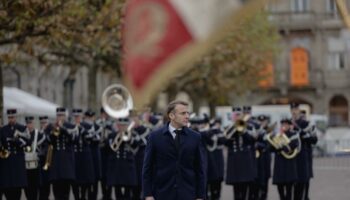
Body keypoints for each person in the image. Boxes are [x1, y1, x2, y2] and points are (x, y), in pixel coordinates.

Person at [142, 100, 206, 200]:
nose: (187, 116)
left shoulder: (195, 137)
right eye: (183, 113)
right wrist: (148, 195)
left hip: (188, 194)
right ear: (171, 116)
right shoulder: (154, 137)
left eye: (188, 113)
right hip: (161, 194)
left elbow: (200, 169)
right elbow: (147, 168)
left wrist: (200, 196)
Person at [46, 107, 77, 200]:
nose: (60, 117)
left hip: (67, 161)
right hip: (56, 161)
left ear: (65, 116)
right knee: (56, 189)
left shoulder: (71, 126)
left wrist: (64, 130)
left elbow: (74, 140)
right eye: (58, 115)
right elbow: (49, 142)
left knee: (65, 190)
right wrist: (53, 132)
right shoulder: (51, 127)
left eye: (62, 115)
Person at [0, 109, 29, 200]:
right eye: (9, 117)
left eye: (12, 117)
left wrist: (15, 141)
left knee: (17, 191)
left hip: (18, 163)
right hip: (7, 163)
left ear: (15, 117)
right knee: (8, 191)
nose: (11, 119)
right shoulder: (3, 129)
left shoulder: (22, 128)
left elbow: (27, 144)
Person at [271, 118, 299, 200]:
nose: (284, 126)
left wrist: (283, 147)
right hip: (279, 164)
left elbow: (294, 145)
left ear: (290, 126)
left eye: (286, 124)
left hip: (289, 164)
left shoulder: (293, 134)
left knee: (289, 188)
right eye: (283, 124)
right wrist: (275, 146)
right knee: (280, 187)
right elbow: (270, 148)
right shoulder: (277, 135)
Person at [72, 108, 95, 200]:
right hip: (74, 156)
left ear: (82, 116)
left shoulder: (87, 126)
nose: (77, 118)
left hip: (85, 156)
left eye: (78, 116)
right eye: (75, 116)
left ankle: (83, 197)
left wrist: (81, 129)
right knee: (75, 181)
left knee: (86, 181)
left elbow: (91, 137)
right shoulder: (70, 126)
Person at [24, 116, 46, 200]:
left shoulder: (38, 134)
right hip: (25, 166)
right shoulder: (23, 133)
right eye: (28, 123)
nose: (29, 125)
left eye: (31, 123)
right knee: (27, 189)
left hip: (35, 166)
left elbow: (44, 146)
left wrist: (40, 153)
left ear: (33, 123)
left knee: (34, 189)